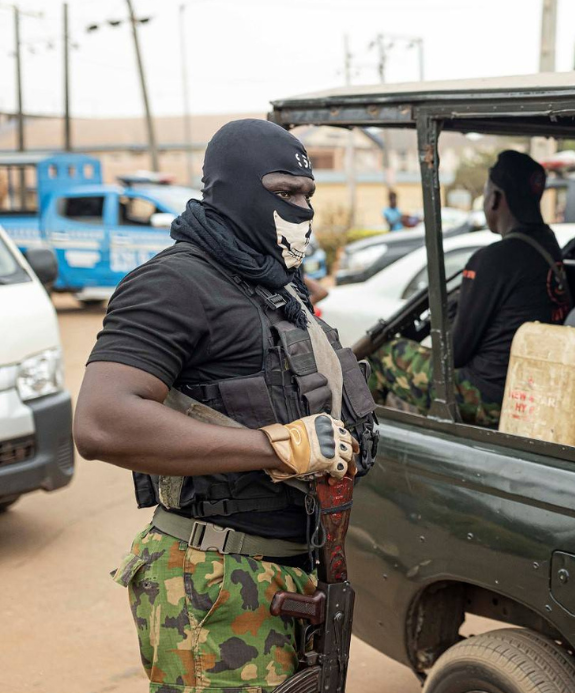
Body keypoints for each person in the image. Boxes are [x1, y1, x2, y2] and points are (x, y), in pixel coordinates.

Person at [74, 119, 378, 690]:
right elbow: (101, 421)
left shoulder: (274, 287)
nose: (302, 208)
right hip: (211, 581)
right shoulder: (174, 284)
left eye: (308, 194)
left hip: (290, 574)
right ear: (234, 190)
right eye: (285, 191)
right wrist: (276, 445)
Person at [368, 150, 572, 425]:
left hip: (489, 396)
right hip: (529, 388)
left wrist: (451, 312)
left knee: (381, 355)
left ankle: (372, 454)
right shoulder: (548, 246)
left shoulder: (494, 258)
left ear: (495, 198)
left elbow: (454, 353)